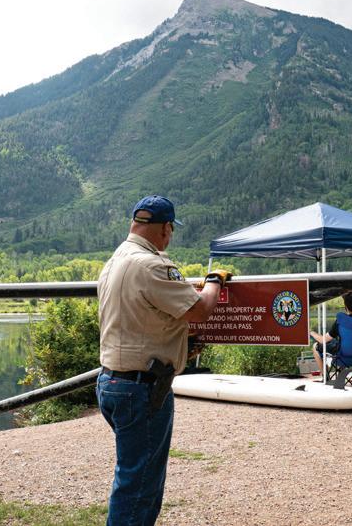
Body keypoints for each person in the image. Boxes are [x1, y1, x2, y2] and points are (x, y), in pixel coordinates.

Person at [96, 195, 232, 526]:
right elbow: (200, 310)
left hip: (112, 381)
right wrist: (214, 282)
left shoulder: (115, 260)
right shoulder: (152, 265)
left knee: (133, 477)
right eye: (171, 230)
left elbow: (143, 319)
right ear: (165, 228)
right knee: (139, 488)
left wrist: (179, 341)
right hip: (142, 387)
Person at [309, 291, 352, 376]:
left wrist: (311, 332)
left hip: (342, 358)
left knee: (316, 346)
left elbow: (323, 340)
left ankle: (325, 377)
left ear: (345, 306)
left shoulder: (341, 322)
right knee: (340, 343)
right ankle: (341, 376)